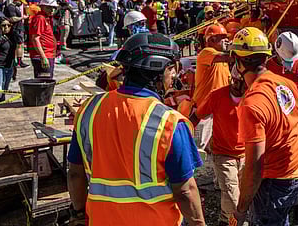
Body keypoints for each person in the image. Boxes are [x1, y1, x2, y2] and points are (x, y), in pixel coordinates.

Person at [67, 33, 205, 226]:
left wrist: (79, 213)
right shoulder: (170, 123)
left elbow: (75, 172)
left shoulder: (89, 109)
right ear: (159, 68)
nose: (174, 76)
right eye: (172, 69)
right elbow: (185, 191)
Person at [230, 27, 298, 226]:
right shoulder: (285, 83)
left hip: (276, 180)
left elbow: (255, 166)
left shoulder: (252, 104)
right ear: (266, 58)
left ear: (238, 63)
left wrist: (241, 209)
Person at [194, 65, 246, 226]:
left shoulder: (254, 96)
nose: (236, 86)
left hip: (246, 154)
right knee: (232, 195)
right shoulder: (217, 96)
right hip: (223, 154)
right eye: (234, 81)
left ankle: (225, 220)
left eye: (241, 82)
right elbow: (197, 116)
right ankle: (232, 221)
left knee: (243, 195)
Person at [192, 23, 231, 152]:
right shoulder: (207, 52)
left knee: (212, 148)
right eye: (223, 37)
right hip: (204, 109)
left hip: (216, 109)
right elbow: (227, 57)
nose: (227, 40)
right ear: (212, 40)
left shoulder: (222, 61)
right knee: (198, 148)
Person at [29, 0, 58, 79]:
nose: (52, 10)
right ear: (42, 7)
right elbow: (35, 39)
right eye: (48, 7)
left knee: (46, 81)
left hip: (47, 55)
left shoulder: (46, 18)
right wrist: (43, 57)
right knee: (44, 83)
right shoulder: (40, 18)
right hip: (43, 56)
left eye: (53, 8)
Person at [4, 0, 29, 68]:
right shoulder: (11, 7)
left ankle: (16, 61)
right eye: (21, 2)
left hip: (18, 28)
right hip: (16, 29)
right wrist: (22, 17)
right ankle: (19, 62)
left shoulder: (14, 7)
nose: (21, 4)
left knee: (18, 45)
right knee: (19, 45)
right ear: (17, 0)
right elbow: (12, 19)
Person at [0, 17, 17, 102]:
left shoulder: (12, 37)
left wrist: (15, 66)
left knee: (5, 89)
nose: (6, 27)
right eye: (3, 25)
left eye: (9, 25)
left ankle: (1, 107)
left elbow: (14, 51)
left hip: (9, 66)